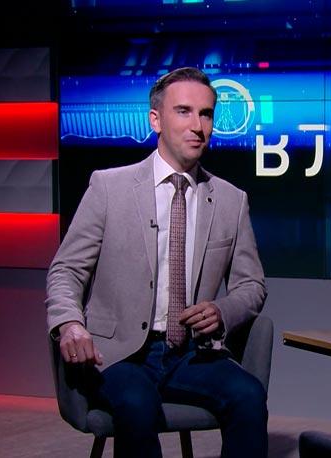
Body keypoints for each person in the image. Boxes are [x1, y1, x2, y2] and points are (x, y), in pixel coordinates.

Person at [46, 67, 268, 457]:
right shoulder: (109, 187)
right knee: (137, 403)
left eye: (206, 114)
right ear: (156, 120)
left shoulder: (231, 200)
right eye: (184, 111)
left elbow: (252, 286)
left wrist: (223, 309)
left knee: (248, 396)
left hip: (192, 353)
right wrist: (69, 323)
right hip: (119, 354)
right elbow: (67, 270)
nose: (198, 125)